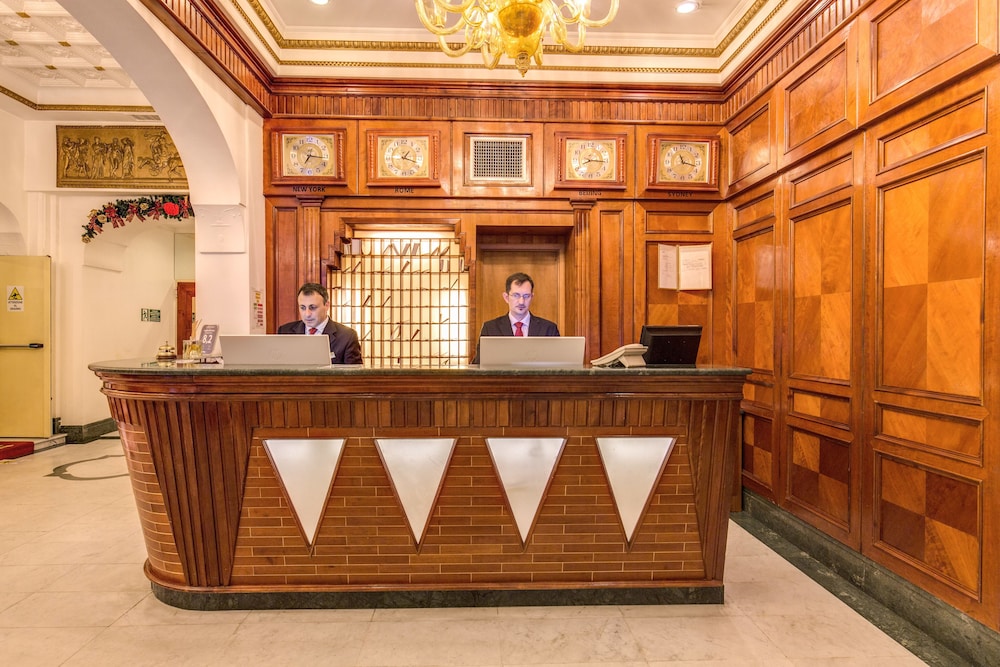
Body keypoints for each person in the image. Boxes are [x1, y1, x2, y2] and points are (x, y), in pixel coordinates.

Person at [472, 272, 559, 364]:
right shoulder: (490, 329)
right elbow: (479, 365)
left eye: (526, 296)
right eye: (516, 295)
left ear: (532, 297)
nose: (521, 301)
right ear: (506, 297)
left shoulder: (549, 328)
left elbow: (558, 365)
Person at [277, 282, 362, 364]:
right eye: (302, 308)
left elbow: (354, 373)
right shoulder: (285, 331)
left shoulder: (347, 337)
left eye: (313, 307)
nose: (307, 314)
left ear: (327, 305)